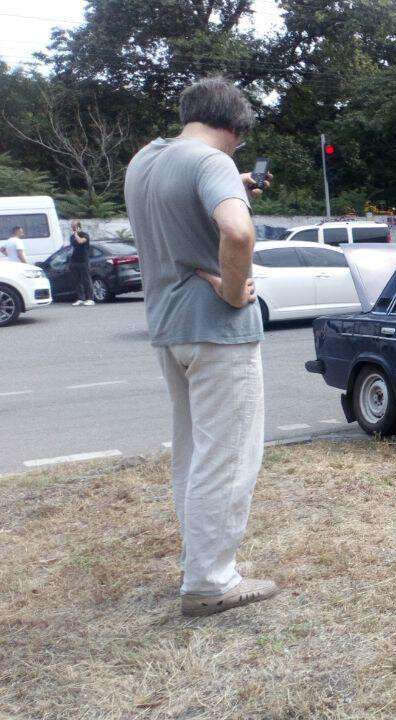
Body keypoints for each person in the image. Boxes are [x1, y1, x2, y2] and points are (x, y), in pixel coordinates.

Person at [124, 76, 276, 617]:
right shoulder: (210, 164)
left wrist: (227, 178)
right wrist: (236, 291)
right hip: (219, 332)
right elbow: (237, 234)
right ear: (235, 128)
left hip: (169, 328)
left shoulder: (145, 161)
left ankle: (198, 564)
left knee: (191, 453)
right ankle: (212, 582)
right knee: (229, 456)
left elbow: (181, 194)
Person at [68, 221, 94, 306]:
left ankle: (90, 299)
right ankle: (80, 298)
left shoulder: (85, 235)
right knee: (77, 281)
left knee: (86, 280)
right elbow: (74, 245)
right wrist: (75, 235)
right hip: (74, 261)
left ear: (78, 226)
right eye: (72, 227)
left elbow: (80, 241)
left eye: (74, 226)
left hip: (84, 261)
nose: (72, 228)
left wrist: (76, 234)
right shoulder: (72, 237)